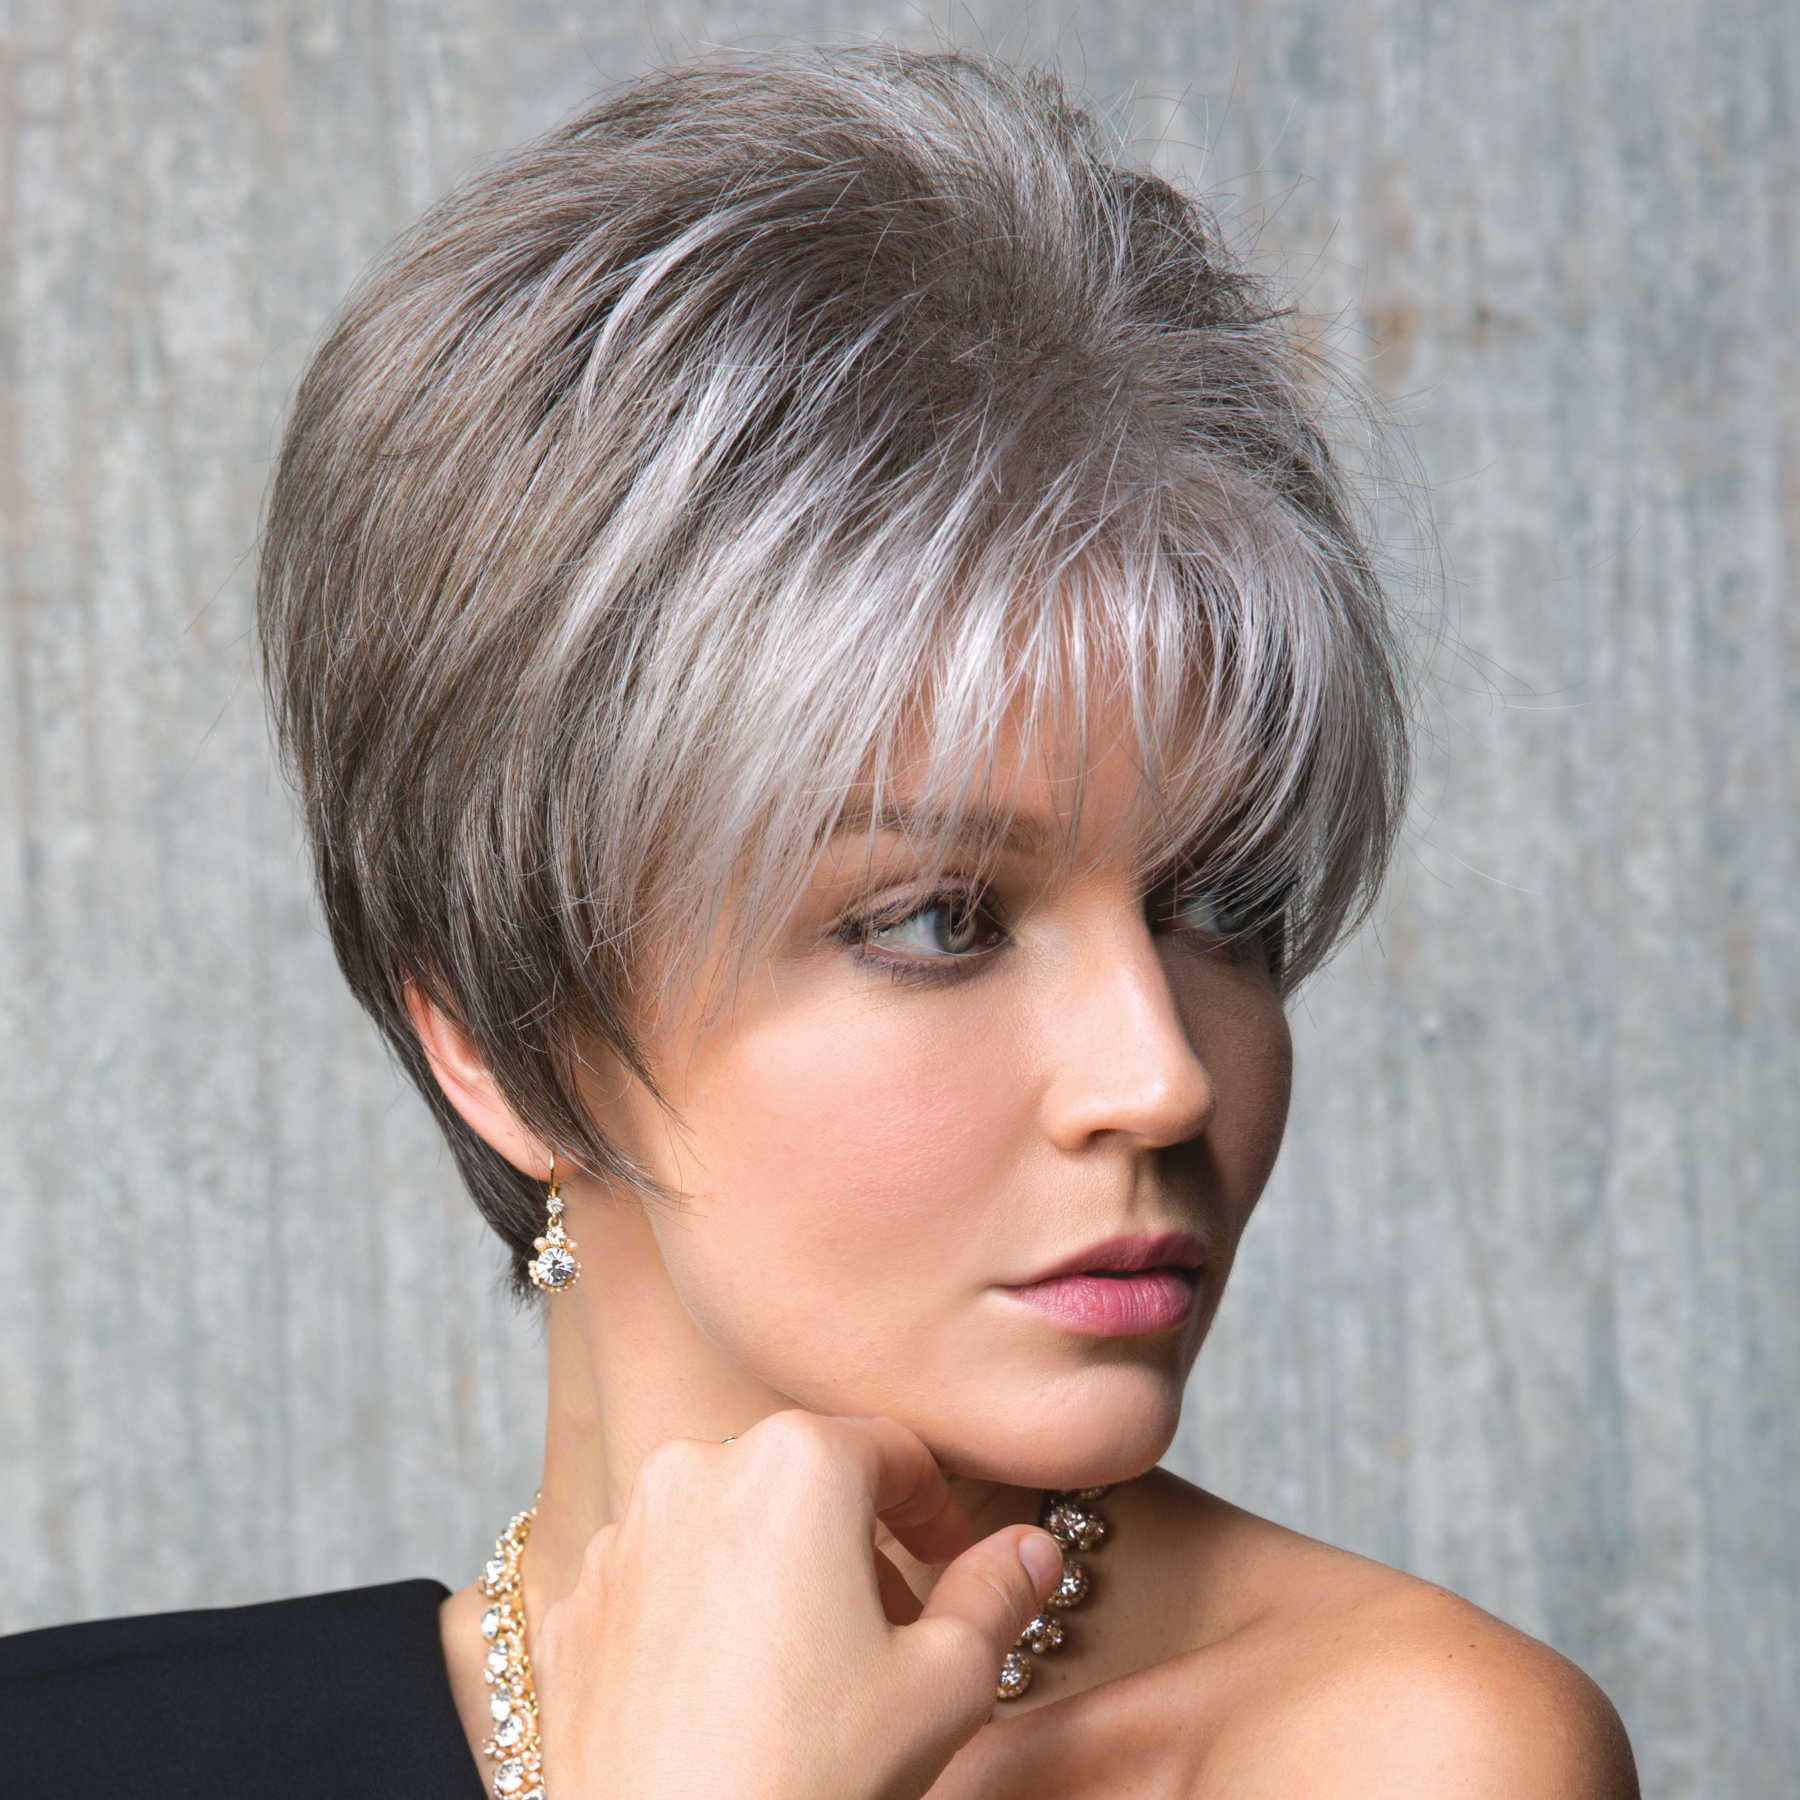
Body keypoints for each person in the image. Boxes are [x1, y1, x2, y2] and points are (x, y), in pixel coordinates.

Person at [0, 41, 1639, 1799]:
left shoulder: (1404, 1752)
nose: (1161, 1079)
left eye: (1219, 904)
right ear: (503, 1039)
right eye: (940, 921)